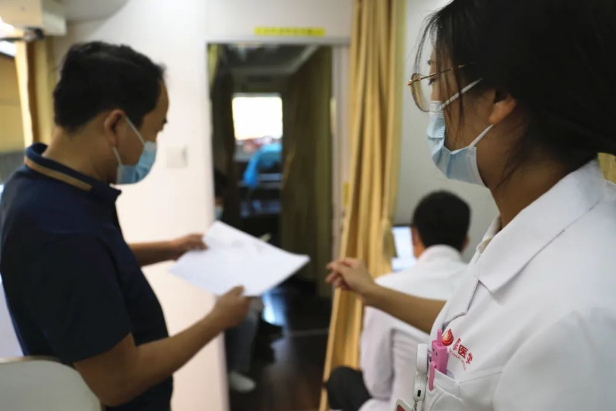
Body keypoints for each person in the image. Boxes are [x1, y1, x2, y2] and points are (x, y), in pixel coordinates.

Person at [327, 0, 616, 410]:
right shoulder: (527, 231)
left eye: (436, 77)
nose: (434, 99)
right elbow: (474, 335)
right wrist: (374, 293)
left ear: (499, 96)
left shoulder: (581, 315)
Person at [0, 42, 250, 411]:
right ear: (115, 125)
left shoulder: (40, 184)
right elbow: (119, 381)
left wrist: (168, 249)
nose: (152, 145)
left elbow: (93, 265)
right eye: (154, 131)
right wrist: (217, 320)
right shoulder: (57, 228)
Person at [326, 191, 470, 411]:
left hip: (405, 406)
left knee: (340, 379)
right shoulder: (480, 288)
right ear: (466, 241)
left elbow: (377, 385)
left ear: (413, 236)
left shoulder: (385, 291)